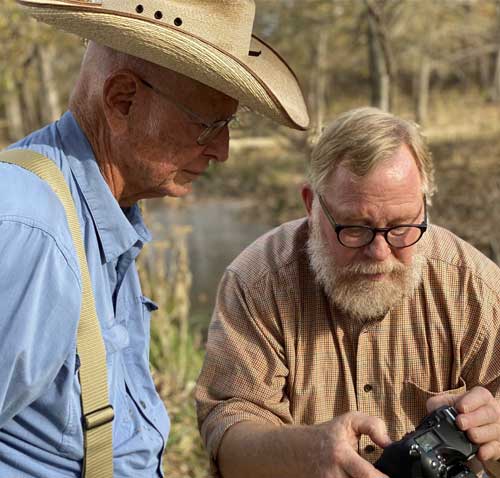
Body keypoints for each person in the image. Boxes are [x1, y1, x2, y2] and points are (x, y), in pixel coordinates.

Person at [0, 1, 309, 477]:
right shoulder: (30, 227)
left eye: (229, 124)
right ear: (122, 100)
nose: (222, 150)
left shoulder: (102, 211)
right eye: (207, 124)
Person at [196, 107, 500, 478]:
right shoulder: (257, 283)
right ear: (312, 205)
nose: (379, 253)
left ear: (424, 205)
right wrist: (306, 452)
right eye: (356, 229)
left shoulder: (472, 285)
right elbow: (227, 432)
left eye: (402, 227)